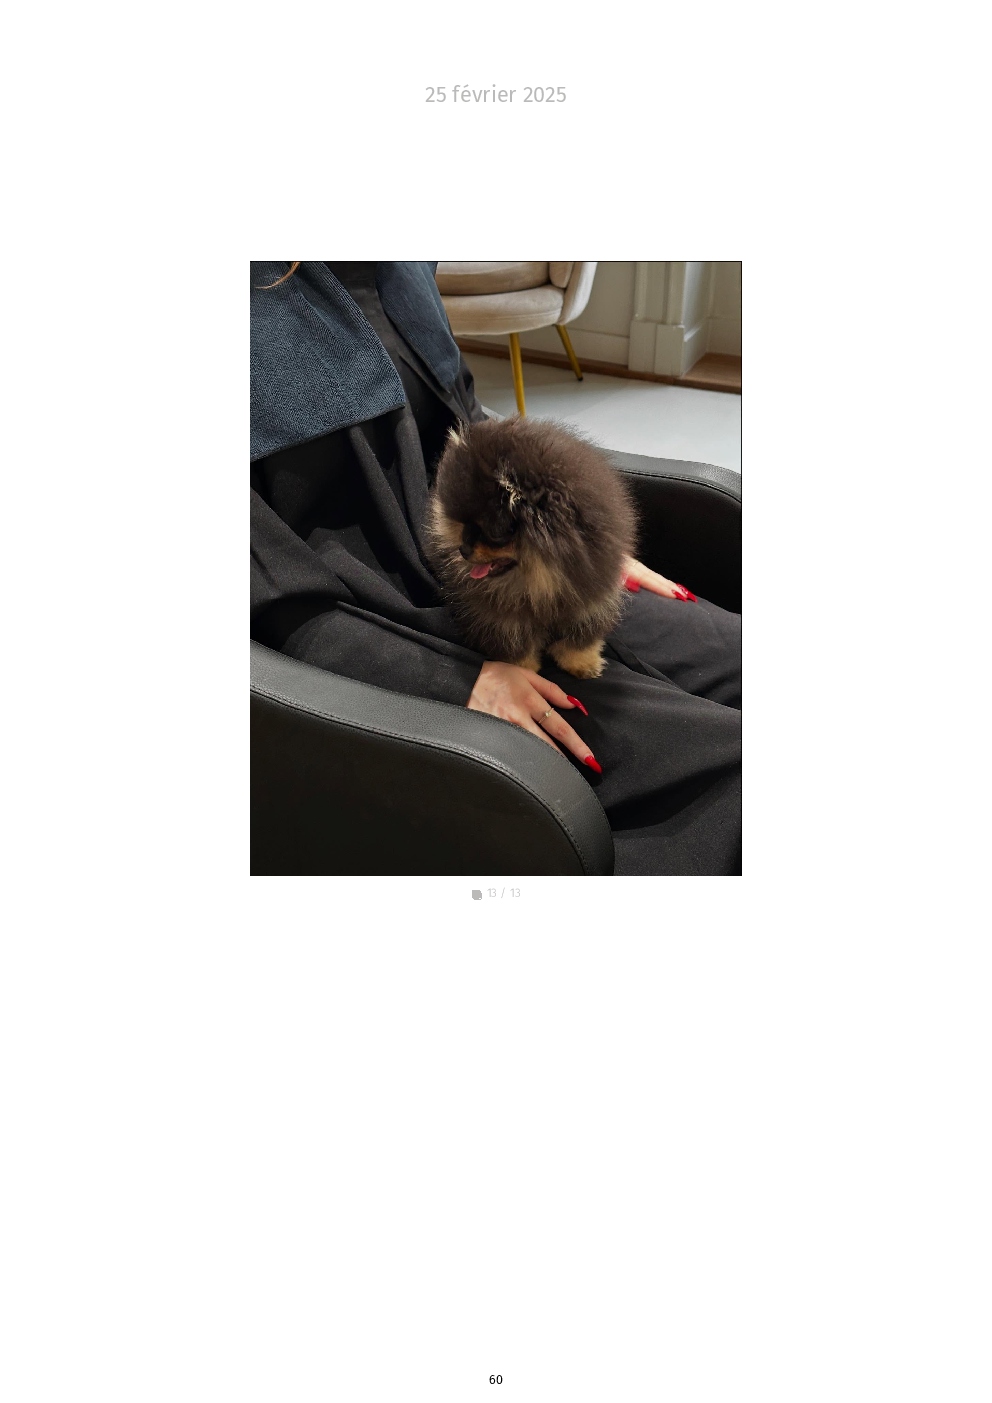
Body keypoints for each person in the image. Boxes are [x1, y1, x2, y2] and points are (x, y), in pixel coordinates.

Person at [251, 261, 741, 875]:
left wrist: (575, 537)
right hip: (381, 643)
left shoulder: (395, 264)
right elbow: (269, 595)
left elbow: (465, 426)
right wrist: (451, 685)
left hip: (515, 574)